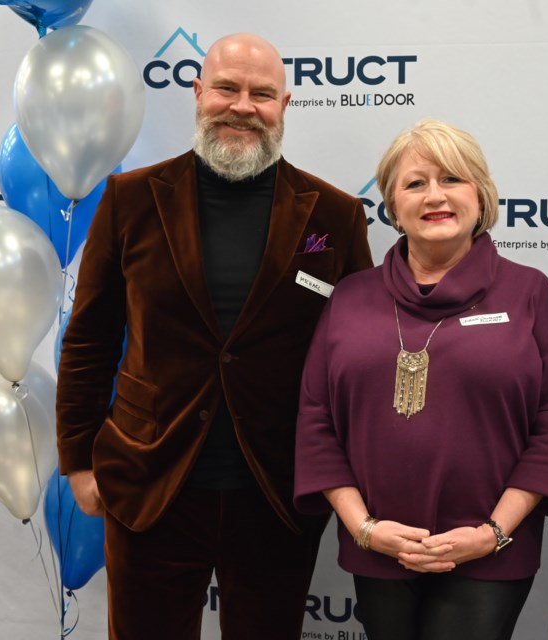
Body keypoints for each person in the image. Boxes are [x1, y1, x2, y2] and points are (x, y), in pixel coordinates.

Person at [55, 33, 373, 639]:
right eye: (227, 88)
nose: (242, 106)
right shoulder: (129, 199)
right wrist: (77, 462)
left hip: (276, 491)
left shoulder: (334, 216)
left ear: (285, 105)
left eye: (261, 94)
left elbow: (356, 355)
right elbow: (89, 341)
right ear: (199, 94)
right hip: (150, 485)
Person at [293, 119, 548, 640]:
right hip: (379, 548)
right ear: (392, 205)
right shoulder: (349, 298)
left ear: (481, 195)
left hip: (490, 551)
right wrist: (364, 529)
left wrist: (492, 534)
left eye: (452, 179)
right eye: (415, 183)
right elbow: (316, 422)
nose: (435, 196)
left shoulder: (531, 295)